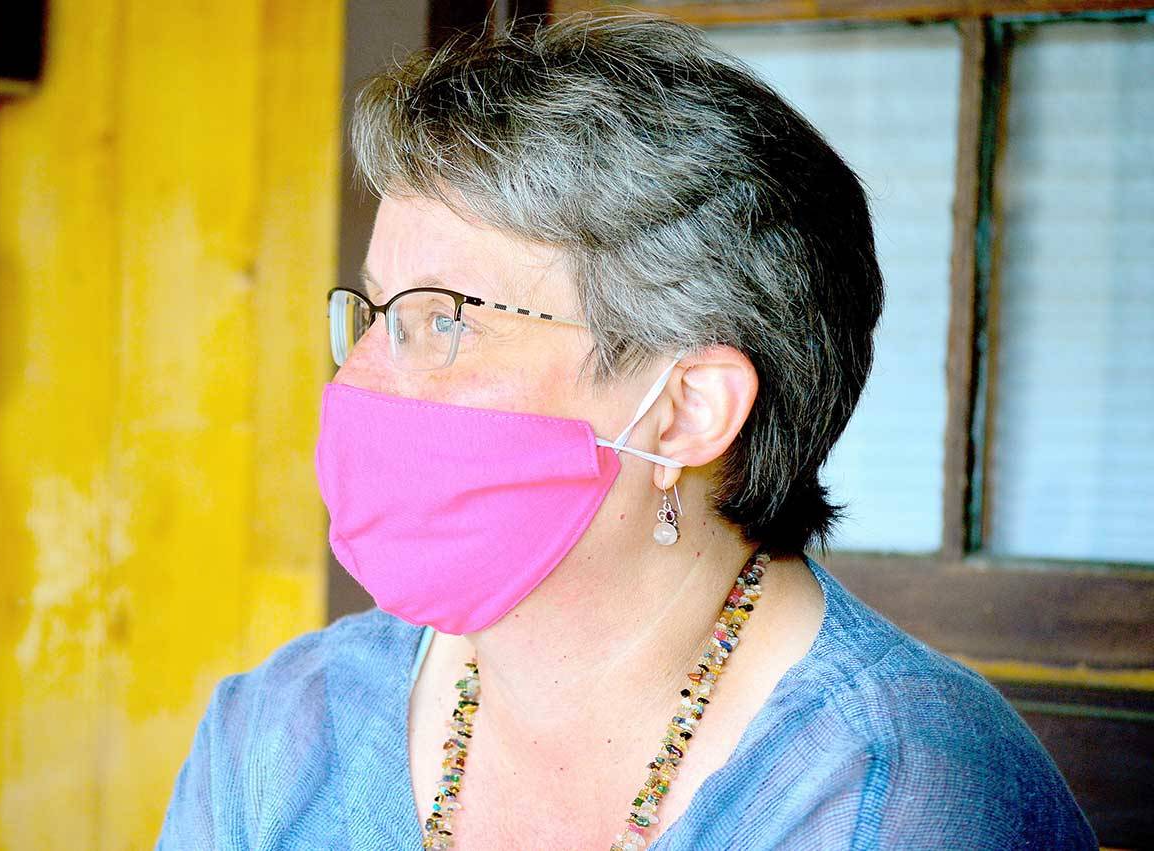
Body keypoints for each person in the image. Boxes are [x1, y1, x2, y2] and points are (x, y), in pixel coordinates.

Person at [157, 11, 1096, 850]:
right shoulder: (278, 731)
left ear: (688, 409)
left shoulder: (897, 794)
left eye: (443, 321)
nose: (357, 378)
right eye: (374, 314)